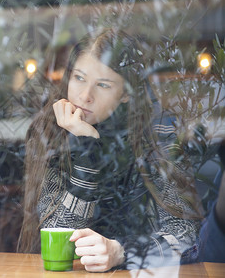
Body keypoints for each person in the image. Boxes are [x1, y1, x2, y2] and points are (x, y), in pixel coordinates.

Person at [17, 27, 203, 271]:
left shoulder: (157, 137)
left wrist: (122, 251)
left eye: (103, 85)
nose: (85, 96)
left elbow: (186, 235)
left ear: (126, 94)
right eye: (79, 78)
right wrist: (86, 152)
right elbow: (56, 238)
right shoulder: (49, 132)